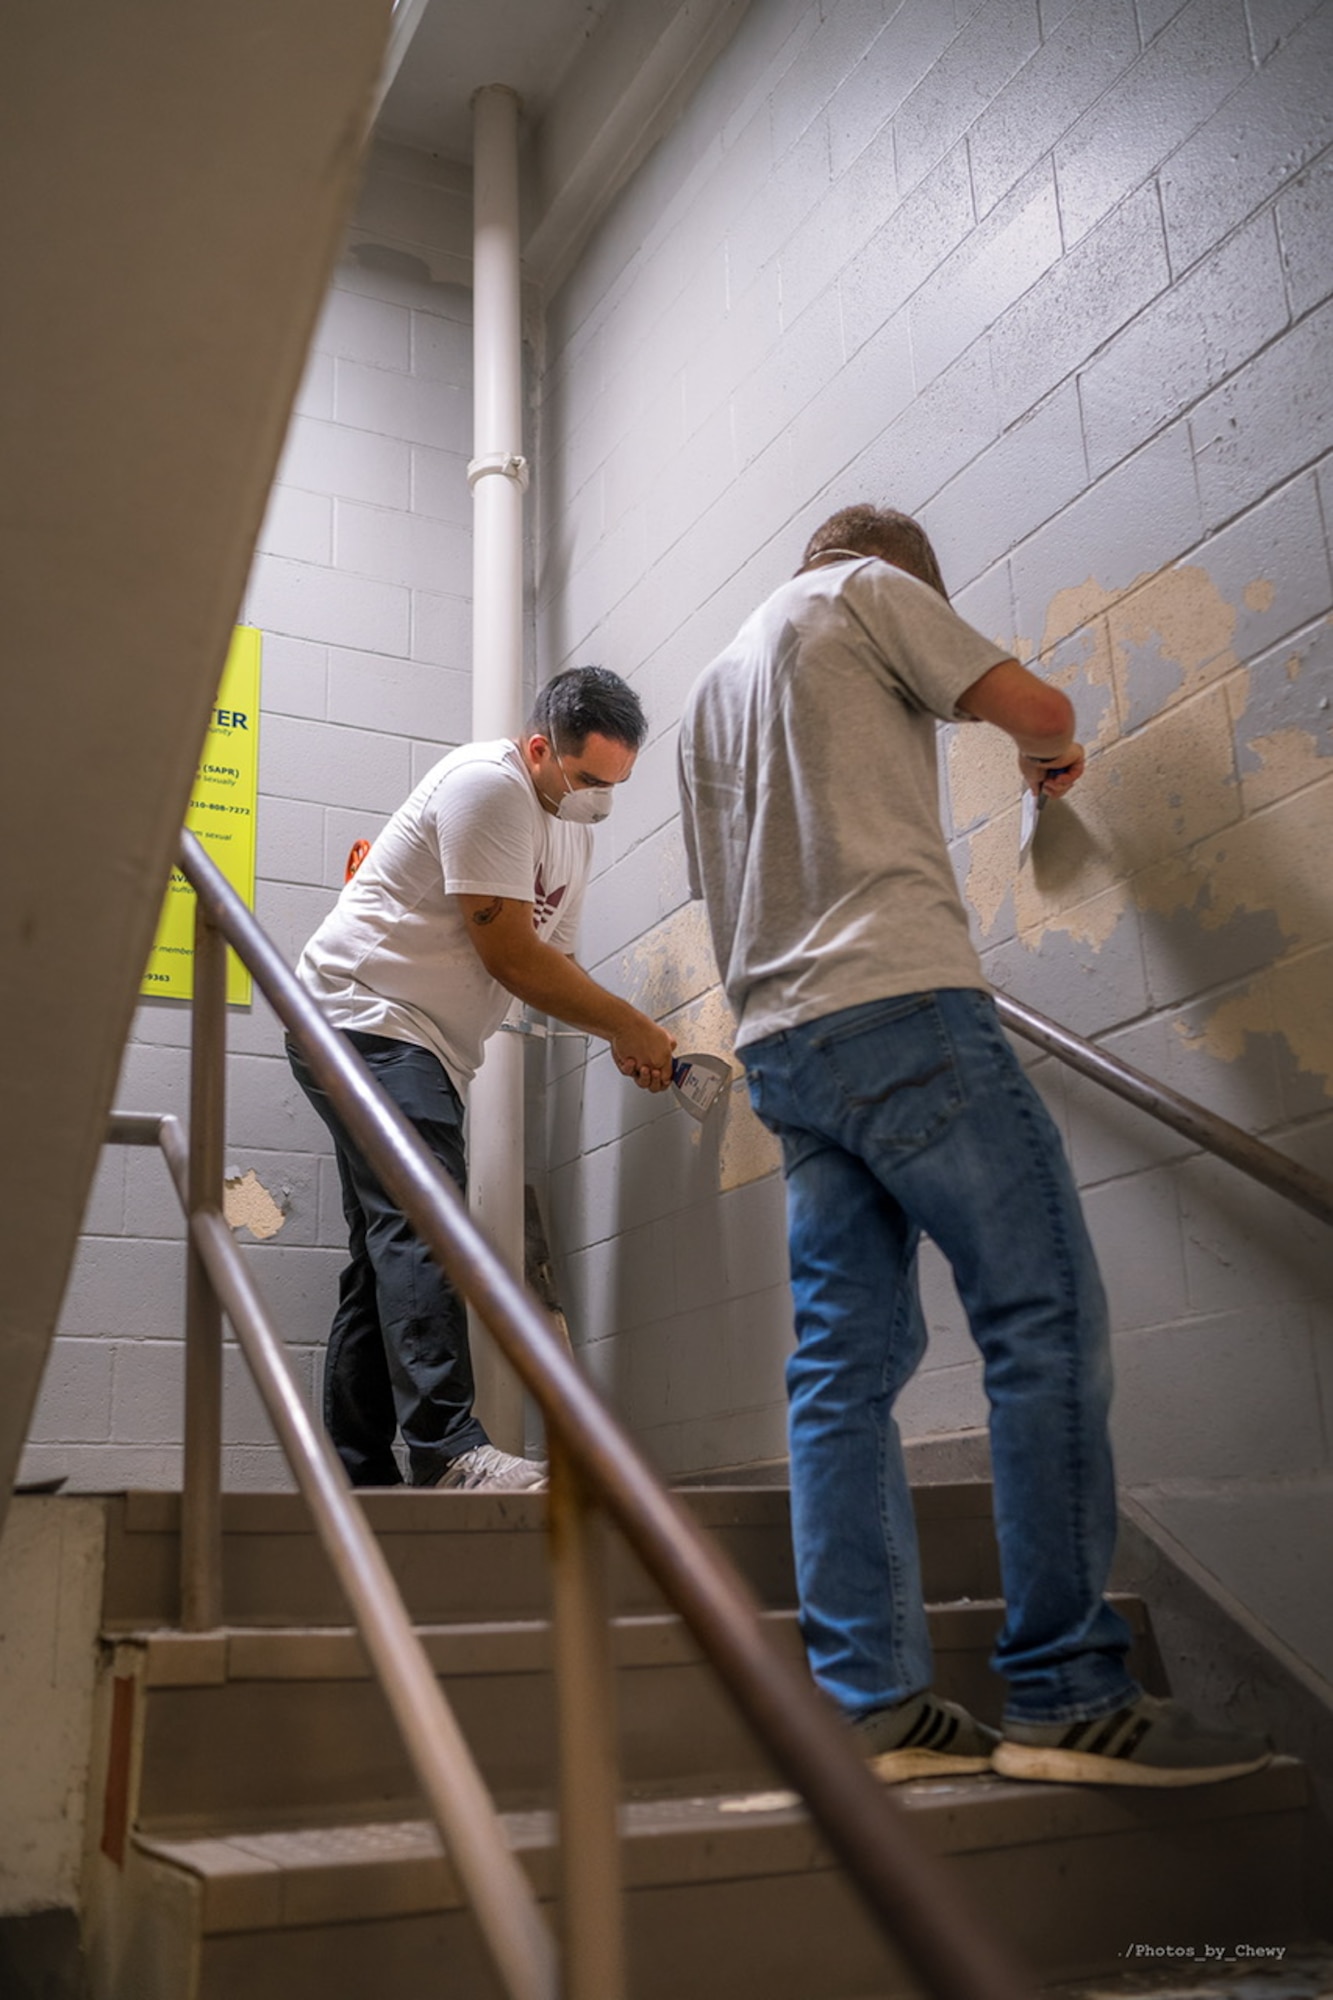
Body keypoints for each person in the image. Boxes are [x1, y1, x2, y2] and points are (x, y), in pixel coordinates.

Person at [677, 505, 1271, 1788]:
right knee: (1041, 1311)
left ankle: (873, 1706)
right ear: (894, 572)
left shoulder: (709, 694)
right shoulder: (862, 595)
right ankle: (1066, 1692)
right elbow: (1038, 701)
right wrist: (1046, 757)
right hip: (904, 1011)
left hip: (784, 1047)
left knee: (840, 1368)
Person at [291, 667, 676, 1492]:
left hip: (422, 1043)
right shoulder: (484, 788)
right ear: (540, 749)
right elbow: (508, 955)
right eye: (588, 780)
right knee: (425, 1220)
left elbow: (551, 962)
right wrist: (627, 1023)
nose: (600, 799)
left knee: (384, 1248)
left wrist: (613, 1030)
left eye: (615, 785)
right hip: (362, 1015)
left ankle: (360, 1478)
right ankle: (447, 1449)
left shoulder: (571, 827)